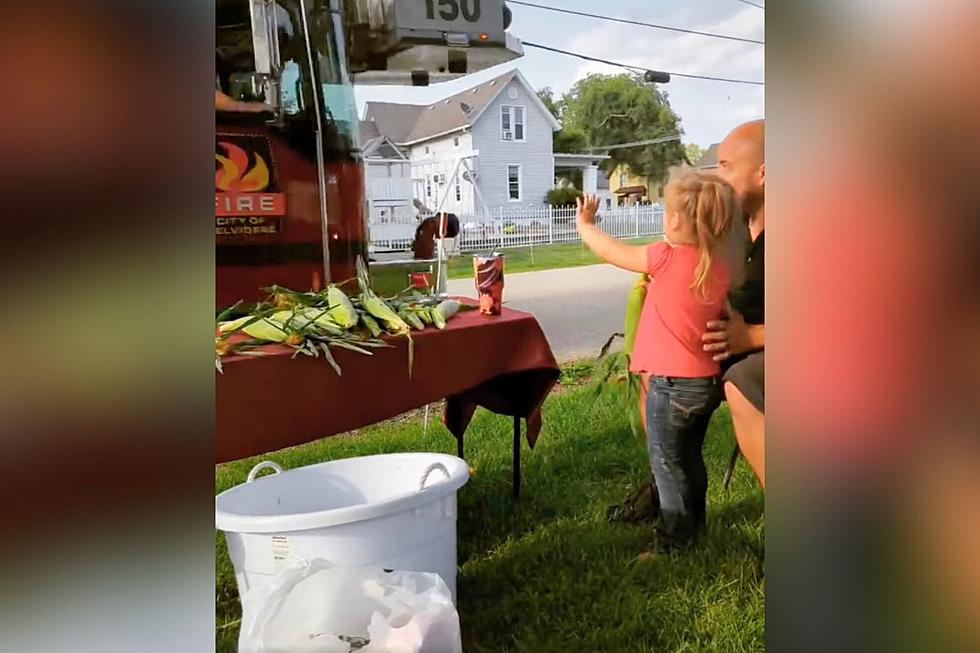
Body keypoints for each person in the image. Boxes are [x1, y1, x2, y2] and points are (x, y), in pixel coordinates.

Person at [577, 168, 738, 549]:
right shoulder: (717, 265)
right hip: (705, 386)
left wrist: (585, 224)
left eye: (667, 210)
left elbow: (609, 251)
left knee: (667, 464)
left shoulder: (664, 257)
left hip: (671, 387)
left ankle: (673, 543)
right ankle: (695, 526)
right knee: (689, 460)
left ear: (677, 220)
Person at [702, 120, 766, 488]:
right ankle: (671, 492)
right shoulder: (737, 227)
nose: (716, 175)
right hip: (741, 340)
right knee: (659, 367)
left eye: (725, 166)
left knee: (743, 380)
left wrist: (752, 337)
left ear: (764, 173)